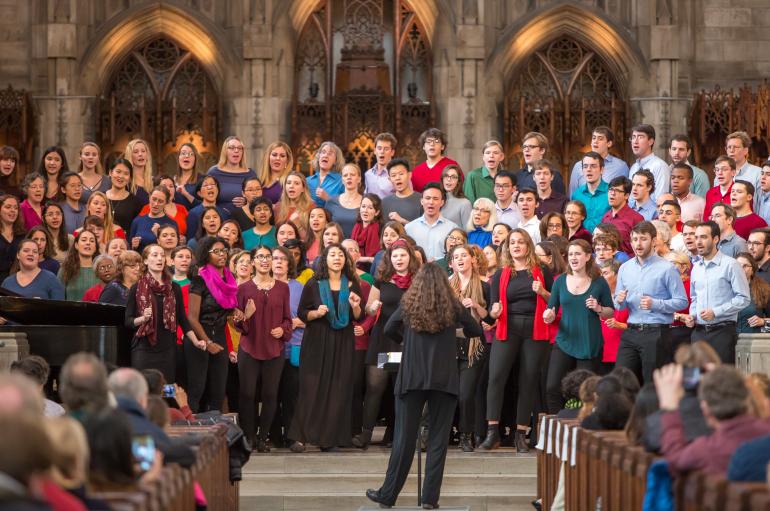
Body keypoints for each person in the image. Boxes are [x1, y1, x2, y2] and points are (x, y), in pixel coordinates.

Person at [365, 263, 482, 510]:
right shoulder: (452, 304)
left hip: (412, 378)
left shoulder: (409, 304)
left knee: (404, 440)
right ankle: (430, 498)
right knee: (438, 441)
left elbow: (388, 328)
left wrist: (406, 341)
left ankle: (388, 495)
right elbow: (475, 330)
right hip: (444, 379)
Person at [481, 228, 552, 452]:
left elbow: (553, 303)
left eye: (521, 242)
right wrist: (494, 311)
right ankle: (493, 432)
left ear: (528, 245)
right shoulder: (501, 274)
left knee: (528, 380)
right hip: (507, 327)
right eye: (512, 242)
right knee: (496, 378)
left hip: (534, 329)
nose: (516, 246)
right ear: (507, 247)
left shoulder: (542, 271)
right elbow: (493, 310)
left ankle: (520, 433)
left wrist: (542, 292)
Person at [289, 244, 363, 451]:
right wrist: (317, 313)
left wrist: (356, 305)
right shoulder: (314, 283)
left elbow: (359, 316)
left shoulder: (352, 284)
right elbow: (303, 313)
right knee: (311, 388)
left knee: (338, 389)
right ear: (325, 259)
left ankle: (329, 439)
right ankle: (300, 437)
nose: (337, 258)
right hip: (317, 341)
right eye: (333, 255)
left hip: (343, 341)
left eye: (341, 255)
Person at [353, 239, 420, 449]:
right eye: (395, 256)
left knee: (399, 389)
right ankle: (365, 433)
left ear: (410, 257)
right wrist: (372, 308)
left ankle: (396, 433)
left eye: (402, 255)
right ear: (390, 259)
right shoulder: (382, 280)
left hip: (407, 341)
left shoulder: (419, 280)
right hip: (385, 340)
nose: (399, 259)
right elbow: (369, 310)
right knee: (375, 386)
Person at [654, 364, 770, 476]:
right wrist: (730, 379)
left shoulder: (707, 450)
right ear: (747, 398)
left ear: (705, 409)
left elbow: (674, 460)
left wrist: (670, 407)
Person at [614, 221, 688, 384]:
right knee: (620, 380)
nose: (638, 244)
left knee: (652, 383)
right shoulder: (624, 268)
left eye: (643, 239)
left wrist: (656, 304)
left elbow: (682, 301)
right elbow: (619, 305)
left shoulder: (667, 268)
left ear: (654, 241)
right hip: (631, 331)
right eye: (634, 239)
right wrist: (619, 301)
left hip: (656, 332)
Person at [543, 239, 614, 412]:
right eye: (571, 254)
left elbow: (610, 311)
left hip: (589, 343)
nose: (573, 257)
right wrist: (548, 316)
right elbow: (550, 310)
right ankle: (559, 425)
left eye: (578, 253)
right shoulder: (560, 281)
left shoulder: (599, 282)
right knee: (552, 387)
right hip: (564, 341)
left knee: (586, 392)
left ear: (588, 256)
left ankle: (583, 429)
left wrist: (598, 308)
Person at [234, 245, 292, 451]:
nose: (265, 260)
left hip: (274, 348)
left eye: (269, 256)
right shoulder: (243, 289)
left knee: (270, 395)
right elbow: (237, 323)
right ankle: (249, 436)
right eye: (260, 257)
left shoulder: (283, 288)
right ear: (253, 262)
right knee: (248, 394)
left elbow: (288, 319)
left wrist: (282, 329)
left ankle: (263, 437)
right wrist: (246, 316)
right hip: (249, 347)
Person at [125, 244, 204, 382]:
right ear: (145, 260)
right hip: (143, 348)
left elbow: (183, 320)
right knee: (143, 390)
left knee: (167, 391)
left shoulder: (174, 288)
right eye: (155, 255)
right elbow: (128, 321)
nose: (159, 258)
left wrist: (196, 342)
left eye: (162, 255)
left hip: (167, 349)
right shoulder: (136, 288)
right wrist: (143, 318)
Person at [683, 221, 750, 363]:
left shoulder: (731, 265)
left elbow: (743, 298)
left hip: (723, 332)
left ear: (715, 239)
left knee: (722, 379)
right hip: (699, 332)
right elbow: (694, 298)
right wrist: (692, 315)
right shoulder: (695, 268)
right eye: (696, 237)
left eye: (704, 237)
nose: (698, 242)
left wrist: (716, 311)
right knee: (698, 380)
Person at [186, 236, 237, 412]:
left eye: (224, 251)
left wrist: (240, 315)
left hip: (220, 336)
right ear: (206, 255)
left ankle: (216, 436)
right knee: (196, 390)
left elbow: (229, 313)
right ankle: (192, 433)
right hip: (200, 338)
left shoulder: (230, 281)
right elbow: (192, 318)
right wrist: (207, 342)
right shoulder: (199, 280)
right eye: (216, 251)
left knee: (218, 390)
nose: (222, 254)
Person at [447, 245, 490, 452]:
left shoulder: (484, 285)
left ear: (472, 259)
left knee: (466, 394)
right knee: (448, 393)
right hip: (449, 345)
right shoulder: (446, 286)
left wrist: (475, 305)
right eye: (456, 257)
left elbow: (489, 317)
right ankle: (445, 433)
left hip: (474, 346)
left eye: (464, 255)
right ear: (452, 263)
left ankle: (466, 435)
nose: (460, 259)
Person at [568, 126, 629, 197]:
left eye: (600, 139)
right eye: (594, 138)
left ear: (609, 143)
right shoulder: (578, 165)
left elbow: (625, 193)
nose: (595, 141)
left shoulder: (620, 166)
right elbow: (572, 194)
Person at [405, 182, 458, 261]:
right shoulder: (409, 228)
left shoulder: (452, 228)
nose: (431, 202)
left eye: (435, 199)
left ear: (442, 202)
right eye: (427, 198)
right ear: (422, 201)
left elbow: (456, 254)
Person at [206, 136, 258, 214]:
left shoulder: (250, 174)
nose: (236, 150)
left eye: (239, 148)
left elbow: (257, 198)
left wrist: (247, 201)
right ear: (225, 151)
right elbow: (206, 196)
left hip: (245, 218)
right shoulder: (214, 172)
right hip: (219, 217)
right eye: (232, 148)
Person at [598, 259, 629, 372]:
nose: (601, 277)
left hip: (622, 352)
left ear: (617, 275)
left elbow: (639, 327)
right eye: (600, 274)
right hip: (600, 351)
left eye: (605, 273)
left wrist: (619, 325)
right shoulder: (597, 296)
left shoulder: (628, 296)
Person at [128, 185, 178, 252]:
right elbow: (130, 249)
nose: (156, 204)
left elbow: (175, 252)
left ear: (166, 203)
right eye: (154, 199)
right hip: (141, 261)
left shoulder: (171, 224)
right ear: (149, 197)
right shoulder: (137, 221)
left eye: (160, 201)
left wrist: (159, 235)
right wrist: (134, 246)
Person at [601, 176, 643, 255]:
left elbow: (640, 247)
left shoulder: (636, 218)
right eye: (610, 190)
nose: (612, 193)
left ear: (626, 196)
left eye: (617, 191)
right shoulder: (605, 217)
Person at [571, 151, 609, 233]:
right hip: (581, 241)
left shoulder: (611, 192)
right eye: (585, 166)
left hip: (604, 241)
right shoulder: (576, 195)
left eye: (593, 166)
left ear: (601, 170)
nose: (588, 169)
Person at [411, 128, 459, 193]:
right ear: (423, 146)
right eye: (428, 141)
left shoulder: (452, 165)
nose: (432, 144)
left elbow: (460, 190)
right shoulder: (417, 171)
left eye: (436, 141)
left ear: (442, 146)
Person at [628, 124, 669, 199]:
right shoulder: (634, 167)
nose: (635, 141)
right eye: (633, 137)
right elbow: (631, 198)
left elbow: (661, 199)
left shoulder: (660, 166)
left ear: (650, 141)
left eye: (640, 137)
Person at [57, 229, 98, 301]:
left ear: (95, 248)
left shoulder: (100, 270)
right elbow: (58, 298)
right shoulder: (65, 270)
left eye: (92, 241)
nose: (88, 243)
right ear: (76, 245)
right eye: (84, 240)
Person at [734, 252, 770, 334]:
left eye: (745, 266)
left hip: (754, 342)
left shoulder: (763, 290)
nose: (741, 269)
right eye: (738, 266)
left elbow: (768, 328)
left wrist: (763, 322)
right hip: (729, 342)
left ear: (752, 270)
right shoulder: (725, 289)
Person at [325, 163, 363, 237]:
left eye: (352, 174)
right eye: (345, 175)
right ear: (342, 180)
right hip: (336, 246)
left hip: (358, 246)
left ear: (359, 179)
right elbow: (326, 228)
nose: (349, 177)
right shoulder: (331, 202)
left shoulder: (366, 202)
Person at [105, 158, 143, 233]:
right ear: (110, 173)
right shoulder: (101, 197)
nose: (121, 176)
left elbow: (138, 228)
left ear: (130, 178)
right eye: (118, 172)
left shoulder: (135, 202)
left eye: (126, 173)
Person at [381, 158, 422, 225]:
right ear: (389, 179)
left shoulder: (422, 200)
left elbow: (424, 230)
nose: (397, 178)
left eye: (401, 174)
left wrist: (402, 221)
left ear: (409, 175)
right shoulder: (384, 202)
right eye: (393, 175)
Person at [464, 140, 505, 204]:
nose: (491, 155)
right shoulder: (473, 176)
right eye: (488, 153)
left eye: (495, 153)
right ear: (483, 157)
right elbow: (468, 203)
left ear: (501, 157)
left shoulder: (506, 177)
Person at [274, 171, 313, 235]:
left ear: (303, 188)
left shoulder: (311, 207)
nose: (291, 186)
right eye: (289, 183)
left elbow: (313, 236)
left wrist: (298, 227)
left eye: (296, 183)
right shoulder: (278, 207)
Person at [307, 141, 345, 207]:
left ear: (335, 161)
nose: (325, 155)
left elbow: (346, 207)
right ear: (318, 157)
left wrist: (328, 199)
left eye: (330, 154)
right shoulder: (307, 181)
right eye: (323, 152)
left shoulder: (342, 181)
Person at [351, 194, 383, 270]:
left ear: (377, 212)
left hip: (369, 269)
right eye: (363, 206)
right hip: (353, 267)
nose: (365, 210)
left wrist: (358, 258)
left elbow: (374, 259)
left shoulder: (375, 228)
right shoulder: (357, 225)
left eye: (370, 208)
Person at [0, 194, 25, 281]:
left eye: (15, 208)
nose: (13, 210)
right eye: (8, 207)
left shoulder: (23, 235)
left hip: (17, 281)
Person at [365, 133, 396, 199]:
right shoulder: (368, 174)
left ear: (392, 152)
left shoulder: (398, 174)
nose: (382, 151)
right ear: (375, 151)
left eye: (386, 149)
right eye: (379, 148)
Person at [173, 142, 203, 210]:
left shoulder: (202, 179)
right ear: (178, 158)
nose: (186, 156)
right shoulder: (172, 180)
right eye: (183, 153)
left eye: (191, 154)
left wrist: (186, 194)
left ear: (195, 159)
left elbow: (206, 206)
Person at [124, 138, 153, 205]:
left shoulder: (153, 181)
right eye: (136, 152)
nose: (140, 154)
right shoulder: (126, 182)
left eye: (143, 151)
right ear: (130, 156)